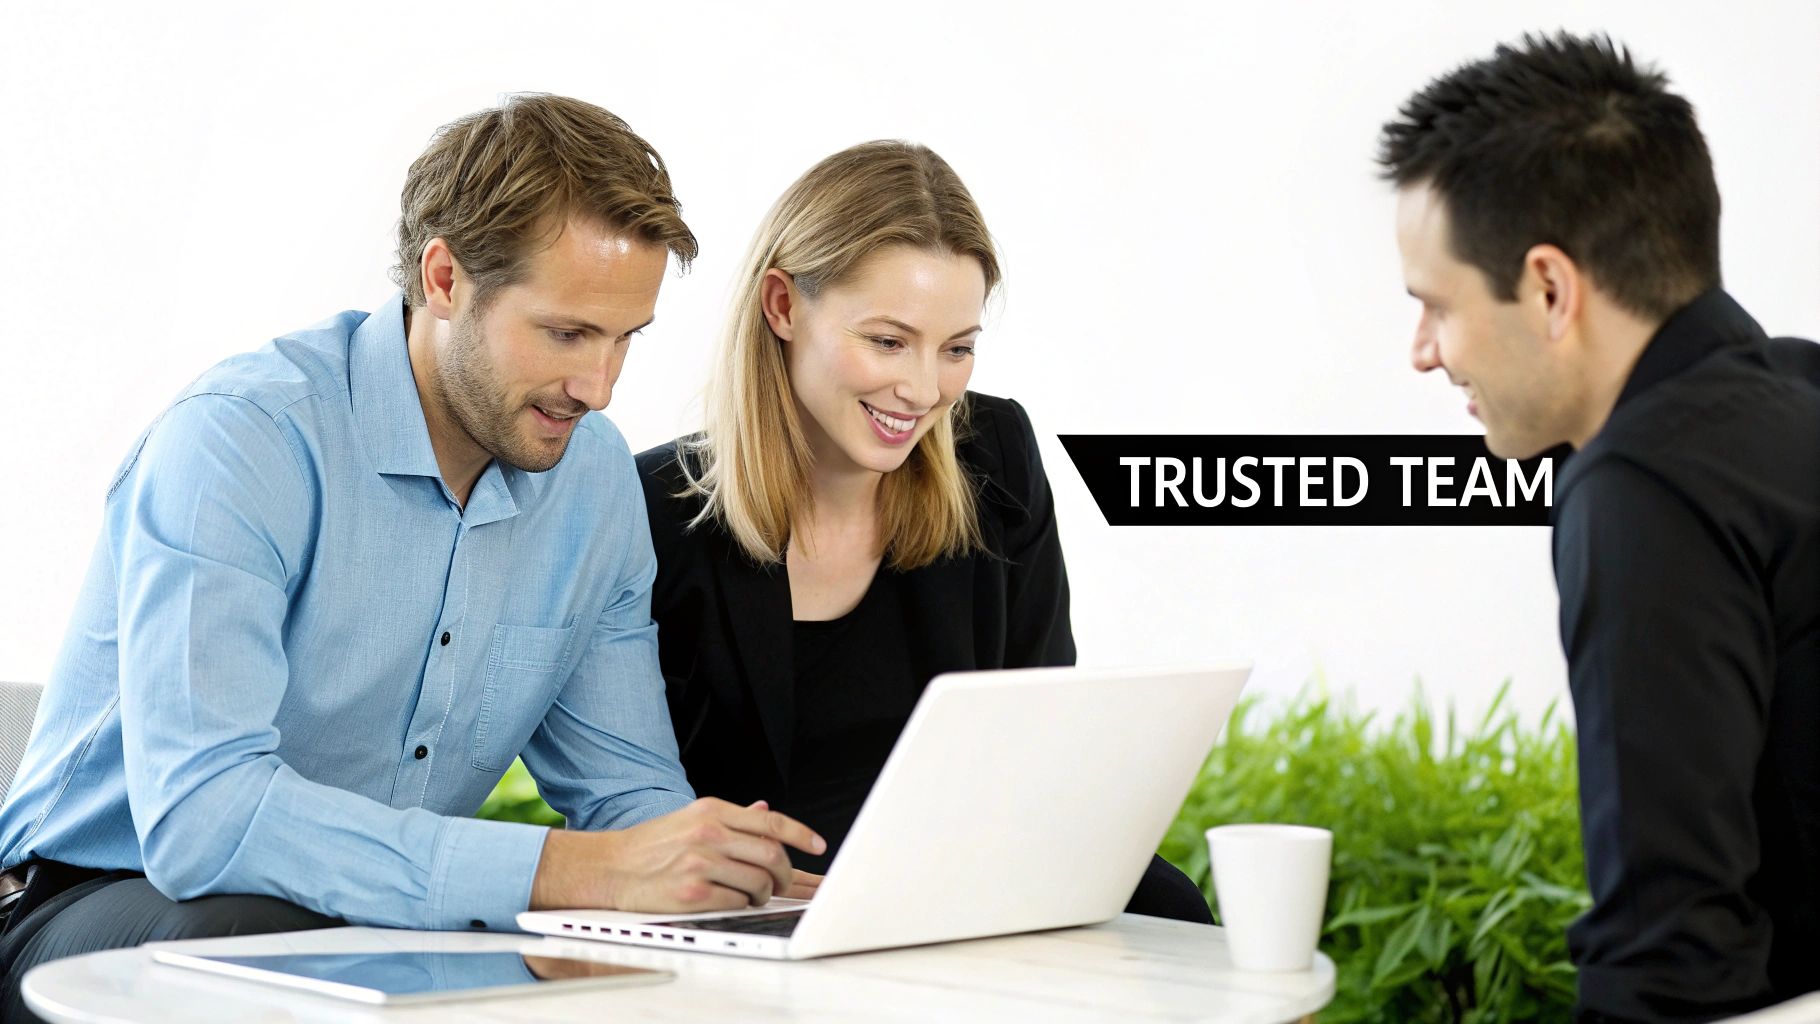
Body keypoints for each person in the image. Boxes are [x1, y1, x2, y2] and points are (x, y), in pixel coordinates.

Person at [0, 93, 823, 1017]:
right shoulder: (243, 444)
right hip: (100, 907)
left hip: (380, 929)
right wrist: (559, 869)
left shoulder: (590, 482)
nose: (597, 387)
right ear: (444, 279)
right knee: (276, 945)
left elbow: (625, 790)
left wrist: (728, 886)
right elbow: (204, 818)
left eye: (625, 339)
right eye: (566, 333)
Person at [636, 141, 1212, 923]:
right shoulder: (653, 511)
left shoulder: (995, 455)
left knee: (1180, 920)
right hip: (770, 921)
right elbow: (634, 806)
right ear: (782, 306)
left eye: (957, 349)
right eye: (887, 341)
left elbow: (1039, 730)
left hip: (974, 890)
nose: (922, 389)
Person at [1380, 33, 1820, 1022]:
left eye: (1434, 305)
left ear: (1547, 288)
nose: (1421, 354)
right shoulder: (1795, 390)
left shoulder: (1643, 486)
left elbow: (1665, 965)